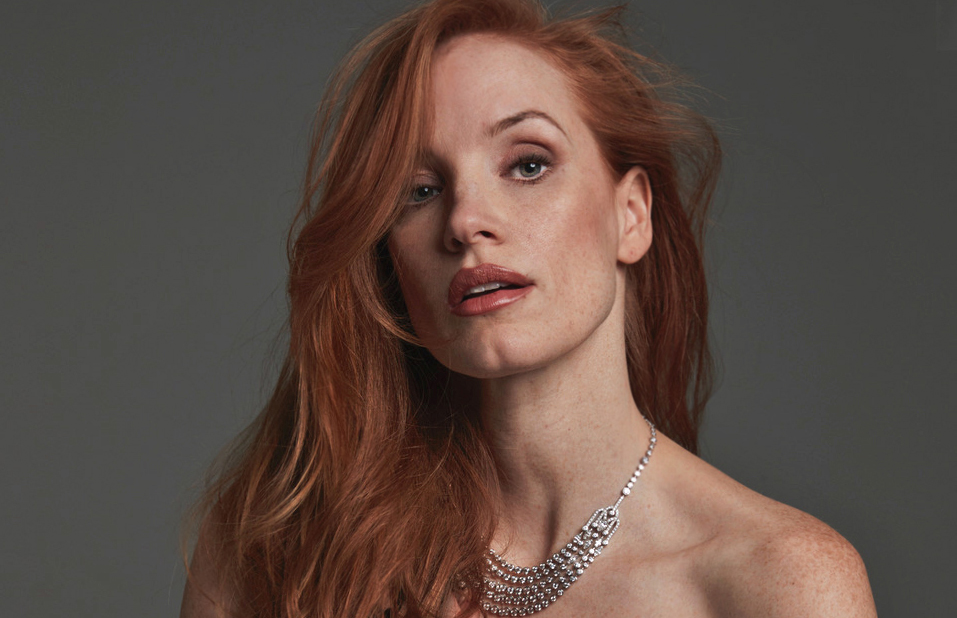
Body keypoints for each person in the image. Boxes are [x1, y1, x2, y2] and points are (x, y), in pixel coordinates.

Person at [181, 0, 877, 616]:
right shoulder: (277, 557)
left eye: (528, 164)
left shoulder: (779, 581)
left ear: (631, 215)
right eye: (419, 191)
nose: (465, 221)